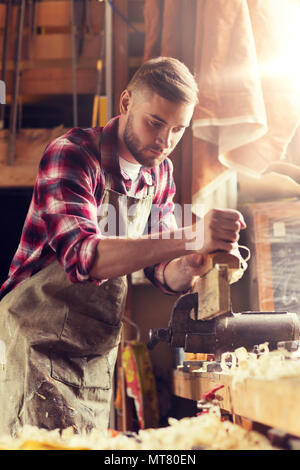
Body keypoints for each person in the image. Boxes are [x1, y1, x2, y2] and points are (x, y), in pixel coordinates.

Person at [0, 57, 246, 436]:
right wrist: (192, 235)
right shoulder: (73, 154)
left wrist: (191, 266)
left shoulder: (159, 174)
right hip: (33, 343)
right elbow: (84, 258)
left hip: (94, 354)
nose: (165, 142)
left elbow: (158, 269)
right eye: (156, 123)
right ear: (126, 102)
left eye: (178, 129)